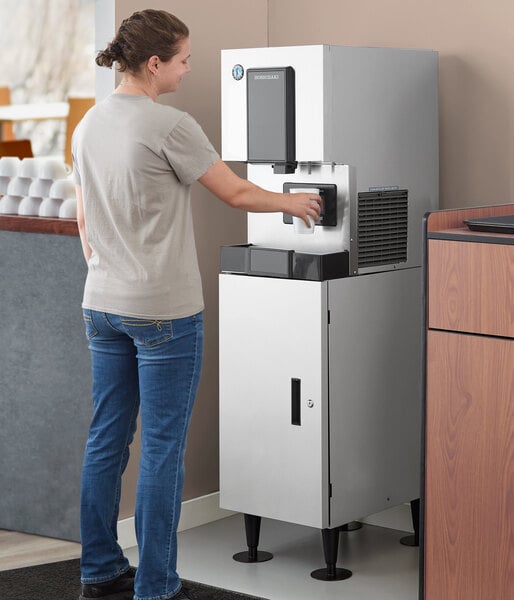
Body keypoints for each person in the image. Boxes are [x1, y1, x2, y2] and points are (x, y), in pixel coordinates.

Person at [73, 9, 321, 600]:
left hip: (102, 306)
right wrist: (297, 204)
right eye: (183, 59)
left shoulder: (89, 124)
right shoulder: (169, 124)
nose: (188, 69)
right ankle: (156, 585)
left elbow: (86, 220)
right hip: (164, 310)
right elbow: (234, 191)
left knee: (107, 438)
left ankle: (100, 572)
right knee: (162, 447)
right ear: (155, 62)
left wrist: (112, 272)